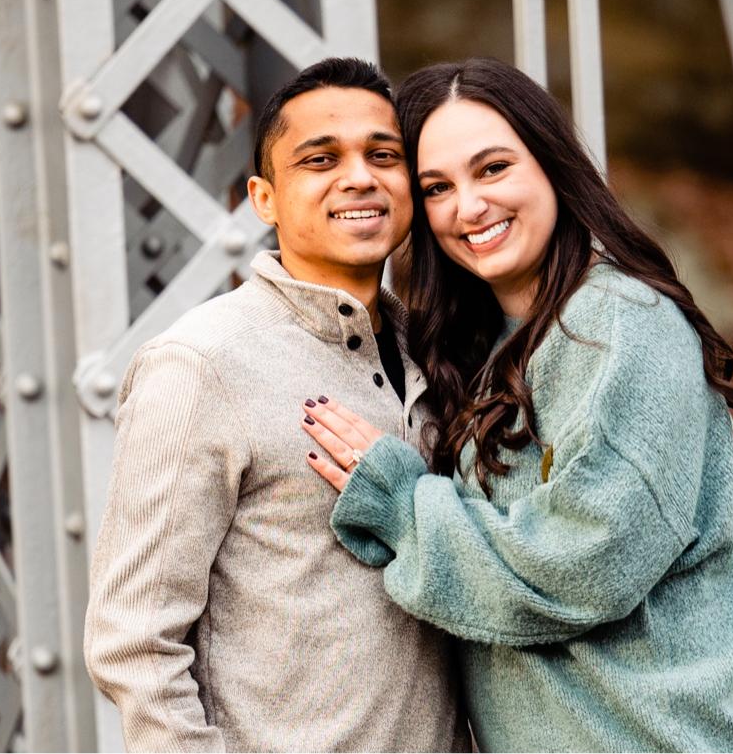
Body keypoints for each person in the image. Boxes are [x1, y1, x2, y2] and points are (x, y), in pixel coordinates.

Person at [300, 57, 733, 752]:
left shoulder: (620, 322)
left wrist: (404, 508)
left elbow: (587, 563)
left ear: (551, 165)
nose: (470, 206)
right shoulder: (481, 349)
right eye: (437, 187)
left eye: (493, 168)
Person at [84, 57, 465, 751]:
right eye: (321, 159)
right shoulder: (200, 363)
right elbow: (133, 641)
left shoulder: (434, 351)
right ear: (263, 198)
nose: (360, 177)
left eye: (383, 155)